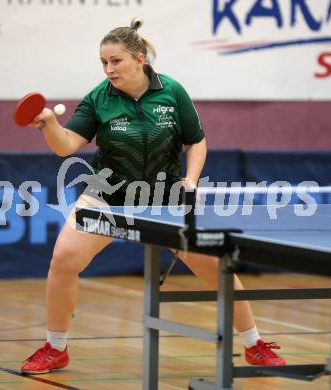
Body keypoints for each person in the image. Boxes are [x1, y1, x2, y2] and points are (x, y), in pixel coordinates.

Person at [21, 17, 285, 374]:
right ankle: (55, 348)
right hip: (107, 195)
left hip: (164, 197)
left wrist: (191, 180)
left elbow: (196, 140)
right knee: (64, 260)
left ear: (139, 58)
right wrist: (50, 125)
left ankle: (254, 345)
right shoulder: (99, 98)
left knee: (218, 270)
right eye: (103, 62)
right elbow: (67, 146)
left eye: (115, 61)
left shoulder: (172, 92)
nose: (109, 69)